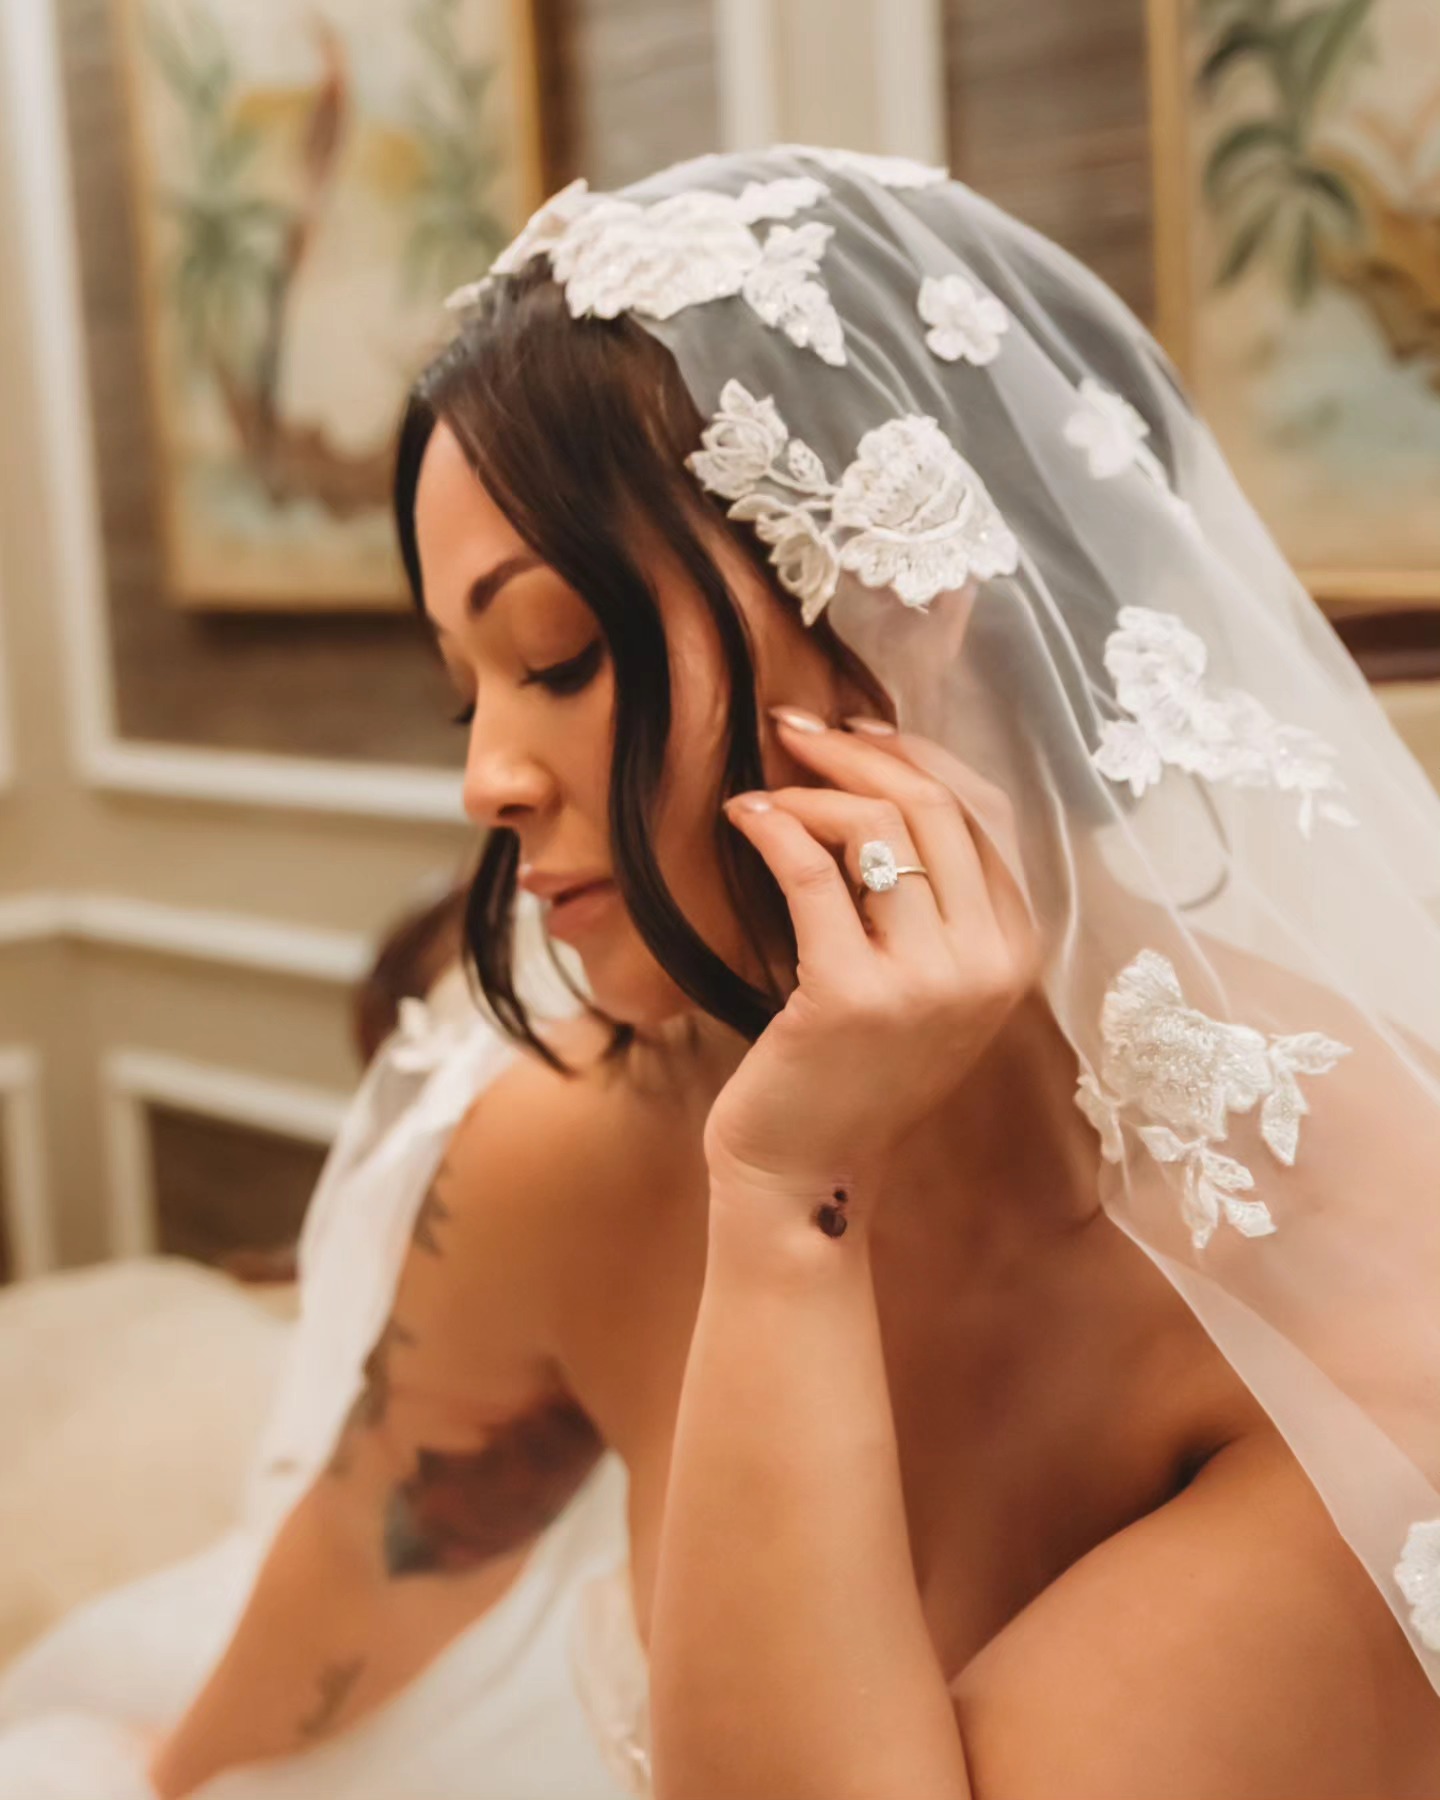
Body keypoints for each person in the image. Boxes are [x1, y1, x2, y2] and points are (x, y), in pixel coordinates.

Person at [27, 142, 1440, 1797]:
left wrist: (784, 1205)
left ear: (914, 610)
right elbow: (369, 1556)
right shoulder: (579, 1137)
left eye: (556, 654)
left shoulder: (1356, 1282)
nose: (485, 778)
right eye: (459, 689)